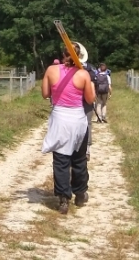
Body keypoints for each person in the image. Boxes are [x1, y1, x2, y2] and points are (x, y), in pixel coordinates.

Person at [41, 46, 96, 214]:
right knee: (79, 159)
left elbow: (45, 93)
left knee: (61, 160)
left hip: (60, 118)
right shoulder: (83, 74)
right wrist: (90, 84)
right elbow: (90, 99)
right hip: (78, 119)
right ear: (79, 56)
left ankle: (64, 198)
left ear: (62, 54)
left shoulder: (51, 70)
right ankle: (80, 193)